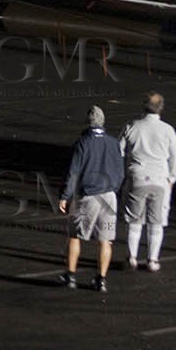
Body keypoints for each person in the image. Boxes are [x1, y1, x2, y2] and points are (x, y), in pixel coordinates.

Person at [58, 105, 125, 291]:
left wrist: (65, 196)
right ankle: (101, 279)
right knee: (105, 239)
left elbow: (73, 173)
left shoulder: (82, 143)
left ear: (88, 123)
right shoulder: (113, 143)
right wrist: (114, 189)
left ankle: (70, 276)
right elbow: (120, 172)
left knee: (75, 235)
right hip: (109, 198)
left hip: (88, 196)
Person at [120, 92, 176, 271]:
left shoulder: (132, 126)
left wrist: (125, 172)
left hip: (137, 178)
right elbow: (175, 157)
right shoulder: (168, 130)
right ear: (161, 108)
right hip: (160, 180)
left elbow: (120, 151)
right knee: (156, 222)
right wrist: (172, 177)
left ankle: (132, 256)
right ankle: (153, 259)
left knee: (134, 220)